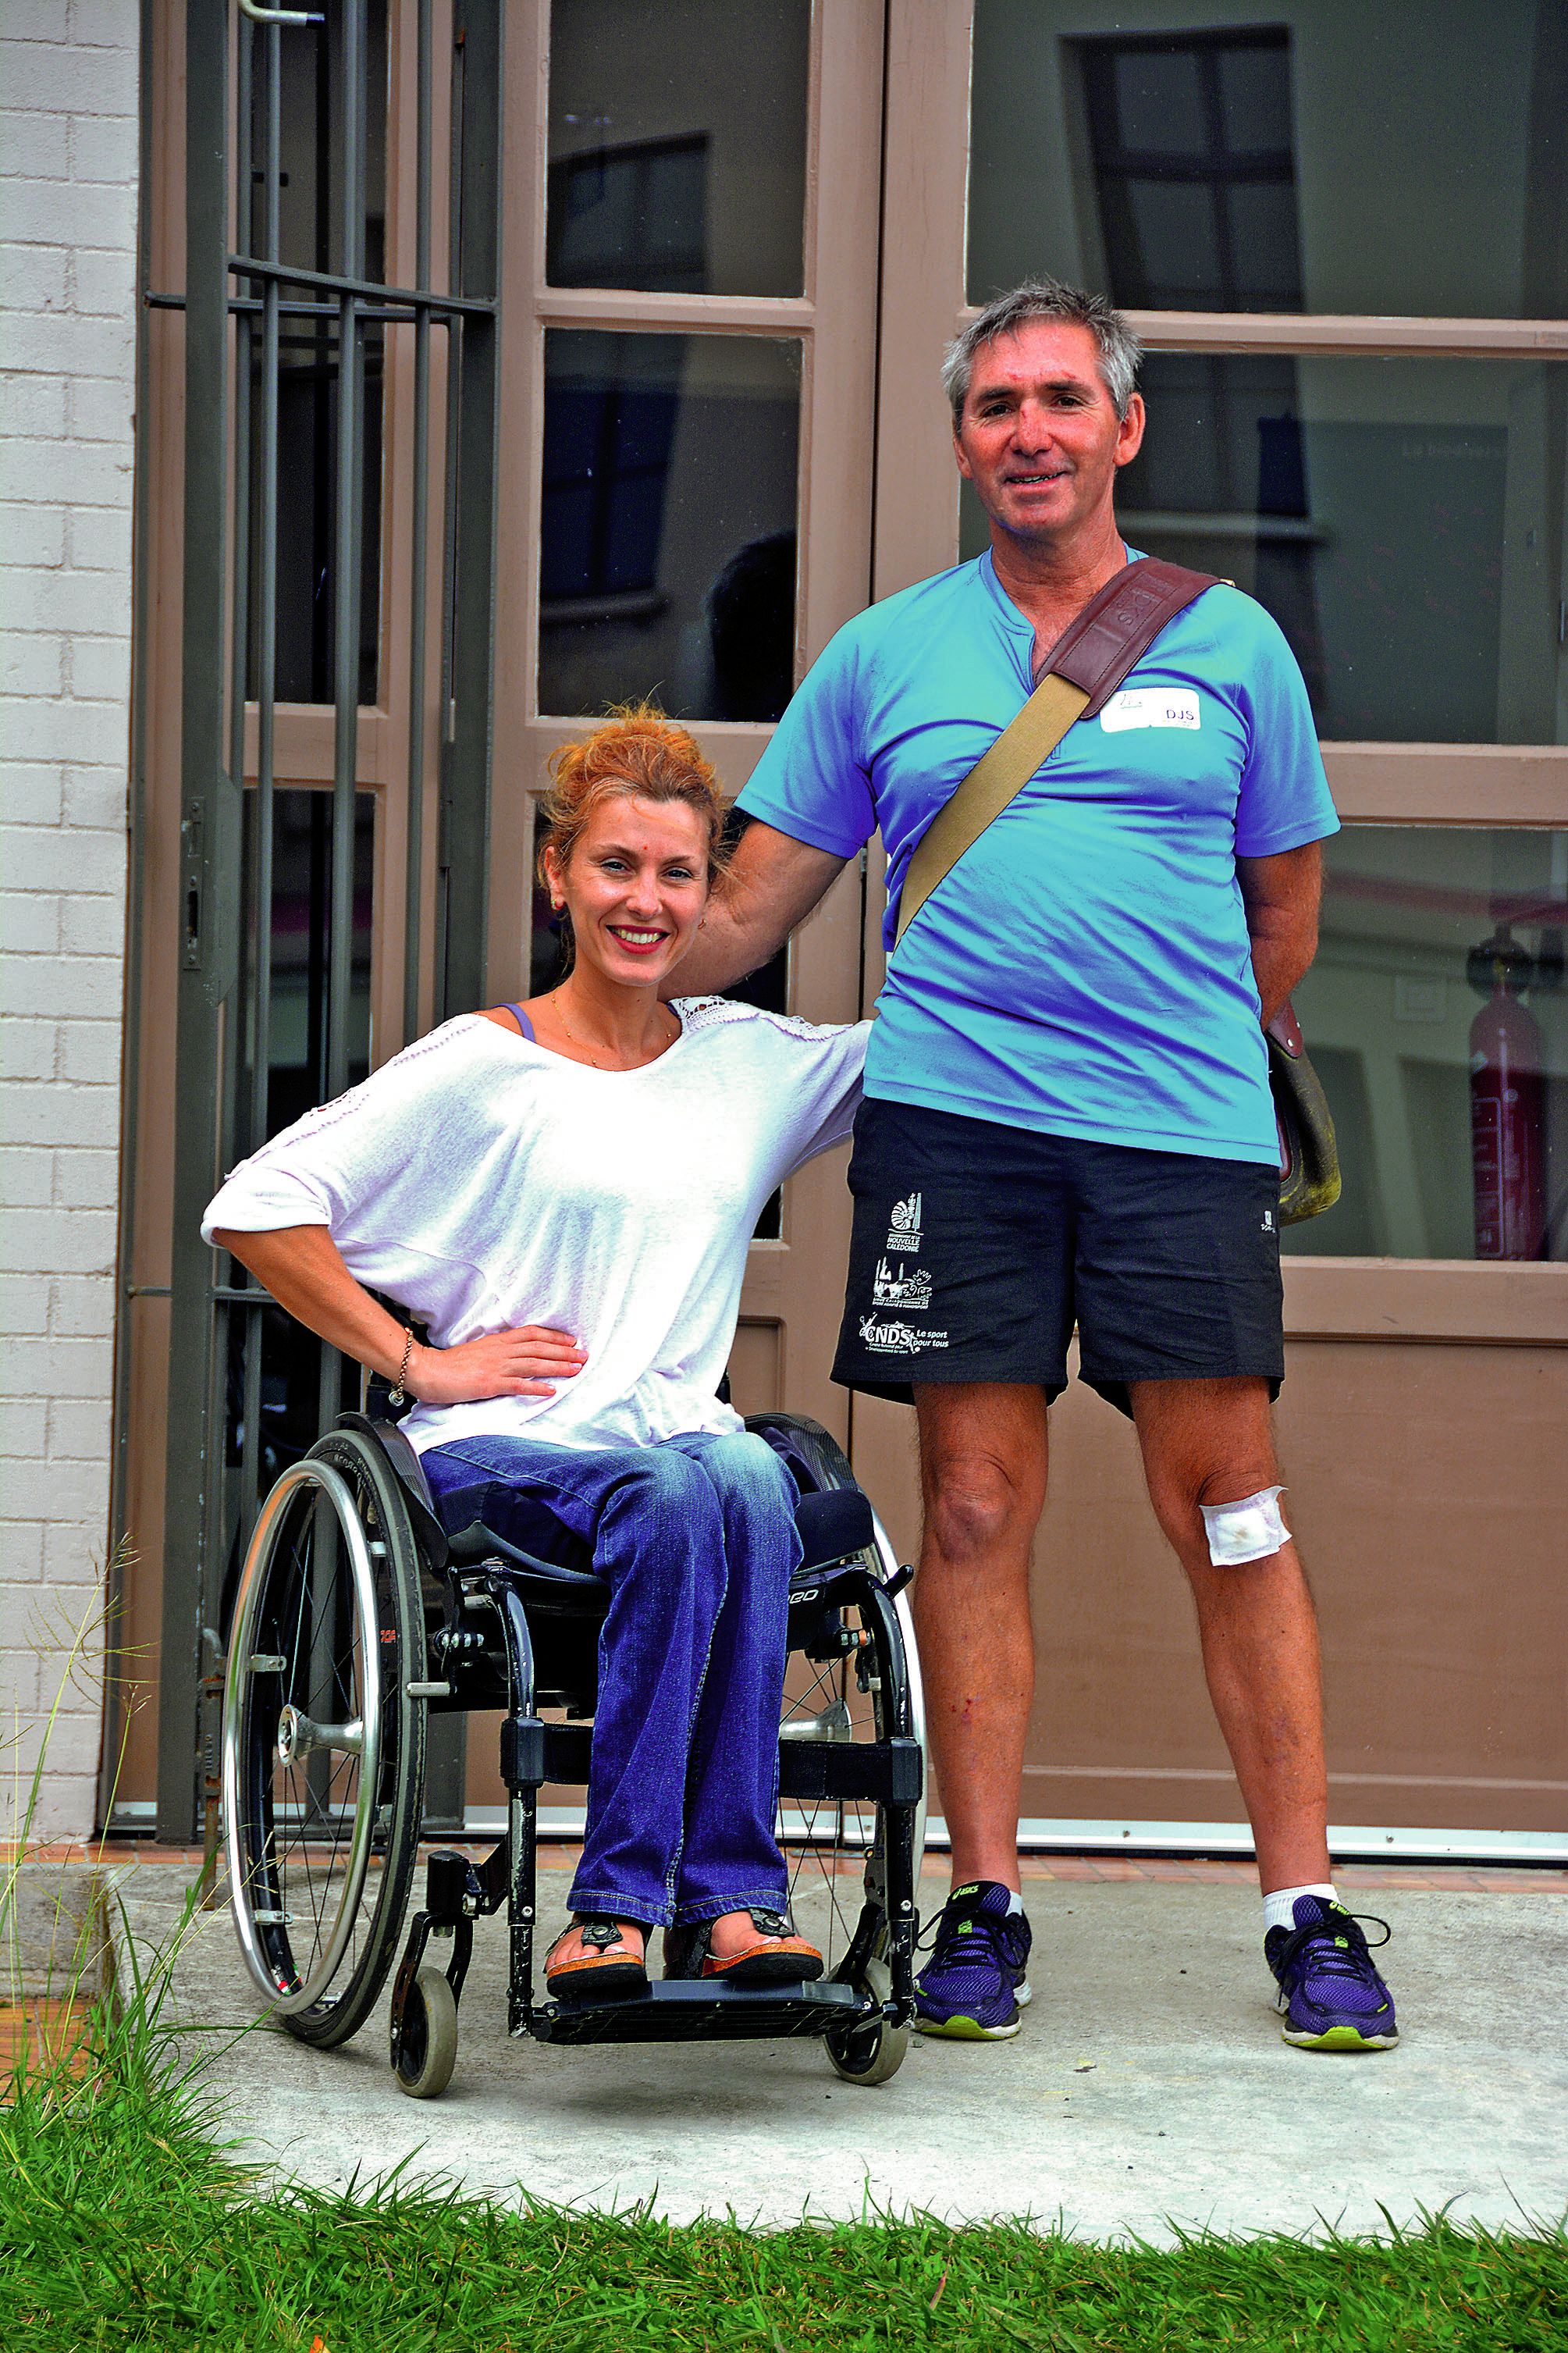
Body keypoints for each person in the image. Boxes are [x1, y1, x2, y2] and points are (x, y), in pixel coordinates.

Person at [666, 280, 1399, 2053]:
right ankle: (983, 1905)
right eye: (999, 407)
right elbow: (757, 902)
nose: (1032, 433)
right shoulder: (885, 655)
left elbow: (1282, 910)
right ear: (963, 440)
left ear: (1124, 427)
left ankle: (1305, 1908)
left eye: (1064, 400)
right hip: (956, 1134)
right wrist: (595, 976)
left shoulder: (1231, 645)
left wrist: (1177, 1044)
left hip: (1175, 1142)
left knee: (1231, 1512)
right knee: (976, 1512)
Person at [204, 707, 869, 2001]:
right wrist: (419, 1356)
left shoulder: (746, 1062)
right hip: (501, 1458)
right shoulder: (478, 1065)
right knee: (697, 1483)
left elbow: (958, 1043)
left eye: (678, 873)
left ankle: (732, 1895)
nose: (647, 900)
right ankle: (619, 1903)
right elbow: (257, 1203)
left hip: (673, 1449)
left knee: (735, 1475)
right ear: (556, 874)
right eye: (617, 865)